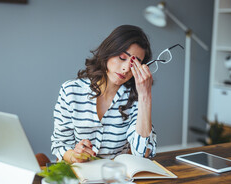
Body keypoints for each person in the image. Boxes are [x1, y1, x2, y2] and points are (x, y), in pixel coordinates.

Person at [51, 25, 157, 163]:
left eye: (134, 65)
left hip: (115, 176)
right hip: (79, 175)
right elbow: (60, 144)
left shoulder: (136, 99)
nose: (125, 68)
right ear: (108, 52)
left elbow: (142, 154)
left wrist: (145, 96)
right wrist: (75, 155)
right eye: (121, 57)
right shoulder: (70, 91)